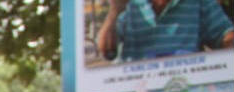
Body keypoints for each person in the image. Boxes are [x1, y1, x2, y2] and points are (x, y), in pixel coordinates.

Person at [97, 0, 233, 62]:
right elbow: (106, 50)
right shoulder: (127, 4)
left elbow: (225, 35)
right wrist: (115, 11)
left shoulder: (199, 2)